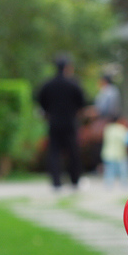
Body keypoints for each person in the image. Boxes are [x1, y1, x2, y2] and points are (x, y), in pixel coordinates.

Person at [37, 53, 87, 191]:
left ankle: (56, 182)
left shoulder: (48, 84)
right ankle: (75, 181)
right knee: (73, 152)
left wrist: (48, 111)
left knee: (54, 152)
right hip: (70, 122)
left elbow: (40, 100)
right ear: (68, 67)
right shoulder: (73, 83)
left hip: (54, 121)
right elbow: (82, 102)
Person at [101, 115, 128, 189]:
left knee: (109, 171)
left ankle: (108, 186)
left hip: (107, 154)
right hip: (119, 154)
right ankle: (125, 185)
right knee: (124, 171)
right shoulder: (120, 129)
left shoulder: (108, 128)